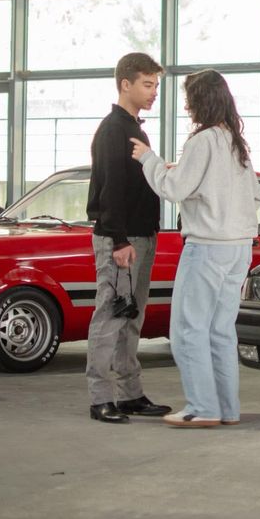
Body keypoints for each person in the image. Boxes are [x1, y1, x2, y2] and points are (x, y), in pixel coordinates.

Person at [131, 69, 260, 428]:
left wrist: (149, 159)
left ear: (198, 101)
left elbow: (174, 189)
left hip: (206, 247)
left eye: (189, 97)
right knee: (221, 331)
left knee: (188, 329)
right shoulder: (236, 143)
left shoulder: (201, 142)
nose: (186, 104)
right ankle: (226, 409)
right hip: (239, 249)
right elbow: (254, 195)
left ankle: (201, 408)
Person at [85, 52, 171, 424]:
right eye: (147, 85)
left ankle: (130, 394)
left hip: (141, 236)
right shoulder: (113, 130)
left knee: (131, 317)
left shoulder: (137, 129)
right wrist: (119, 241)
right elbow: (109, 192)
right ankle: (100, 398)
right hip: (120, 239)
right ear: (126, 84)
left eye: (155, 85)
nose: (154, 93)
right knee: (110, 317)